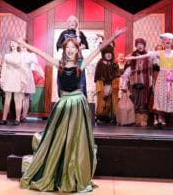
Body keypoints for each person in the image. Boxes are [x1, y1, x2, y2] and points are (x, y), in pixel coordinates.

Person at [19, 27, 126, 192]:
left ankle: (74, 173)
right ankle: (56, 170)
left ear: (78, 49)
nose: (70, 50)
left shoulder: (81, 64)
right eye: (67, 48)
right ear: (64, 50)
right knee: (57, 138)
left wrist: (114, 36)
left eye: (73, 48)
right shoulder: (59, 63)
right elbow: (40, 52)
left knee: (76, 139)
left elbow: (99, 48)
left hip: (77, 104)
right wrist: (24, 44)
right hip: (63, 104)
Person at [126, 33, 173, 129]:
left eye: (169, 40)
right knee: (161, 98)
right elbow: (145, 55)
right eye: (165, 40)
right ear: (163, 42)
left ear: (172, 42)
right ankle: (160, 121)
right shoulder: (159, 53)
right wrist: (133, 57)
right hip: (162, 77)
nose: (167, 41)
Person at [55, 15, 89, 97]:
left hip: (78, 59)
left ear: (76, 23)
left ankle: (81, 98)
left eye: (74, 21)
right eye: (70, 21)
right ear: (67, 23)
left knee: (80, 79)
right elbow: (58, 45)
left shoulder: (80, 33)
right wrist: (69, 48)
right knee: (63, 77)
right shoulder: (64, 33)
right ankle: (63, 96)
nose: (72, 23)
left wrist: (77, 48)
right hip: (66, 58)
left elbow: (85, 45)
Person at [122, 38, 152, 127]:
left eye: (141, 44)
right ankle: (135, 119)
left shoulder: (148, 56)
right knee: (135, 100)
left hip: (145, 82)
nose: (140, 46)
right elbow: (128, 68)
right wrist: (125, 77)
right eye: (138, 44)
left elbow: (151, 69)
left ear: (144, 45)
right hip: (134, 82)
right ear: (136, 46)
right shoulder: (132, 56)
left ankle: (143, 119)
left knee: (143, 102)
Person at [0, 40, 26, 125]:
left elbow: (23, 69)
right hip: (8, 77)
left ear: (18, 44)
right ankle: (4, 119)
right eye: (11, 42)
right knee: (7, 99)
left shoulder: (21, 56)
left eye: (14, 42)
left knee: (18, 98)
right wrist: (2, 79)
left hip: (17, 77)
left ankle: (17, 119)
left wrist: (23, 80)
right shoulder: (7, 55)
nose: (12, 44)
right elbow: (4, 68)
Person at [94, 43, 120, 124]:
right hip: (102, 85)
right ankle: (100, 116)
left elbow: (116, 75)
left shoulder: (114, 64)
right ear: (104, 55)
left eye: (110, 54)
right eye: (107, 54)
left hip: (111, 85)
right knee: (101, 101)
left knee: (110, 102)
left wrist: (114, 85)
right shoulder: (100, 63)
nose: (109, 55)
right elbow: (98, 76)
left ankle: (109, 117)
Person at [19, 41, 40, 123]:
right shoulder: (17, 54)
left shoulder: (31, 55)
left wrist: (41, 73)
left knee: (26, 96)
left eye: (24, 44)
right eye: (21, 44)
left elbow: (36, 66)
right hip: (18, 75)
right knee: (18, 96)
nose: (22, 46)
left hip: (27, 75)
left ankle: (24, 116)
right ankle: (17, 115)